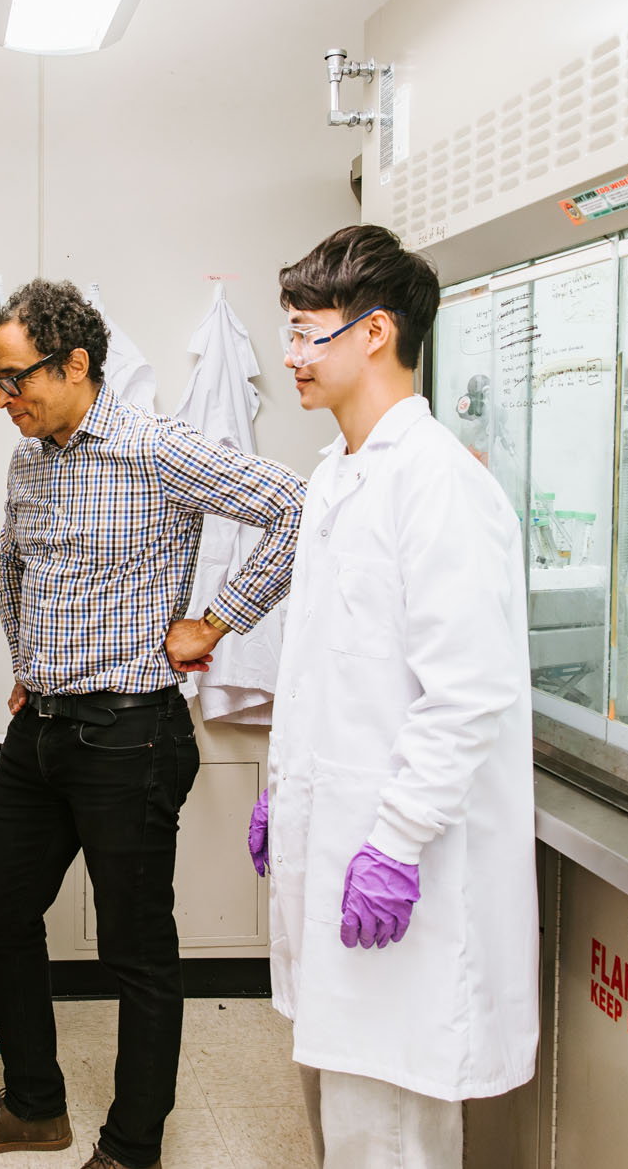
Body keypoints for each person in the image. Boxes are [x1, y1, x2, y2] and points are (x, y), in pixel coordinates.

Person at [0, 281, 306, 1169]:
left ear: (76, 365)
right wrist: (29, 663)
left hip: (130, 735)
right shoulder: (31, 456)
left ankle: (133, 1147)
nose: (2, 398)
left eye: (14, 377)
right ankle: (33, 1105)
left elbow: (294, 507)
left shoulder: (153, 445)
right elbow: (13, 562)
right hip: (45, 729)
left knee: (137, 947)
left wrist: (216, 619)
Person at [247, 225, 537, 1169]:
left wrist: (397, 842)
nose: (291, 354)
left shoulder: (440, 484)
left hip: (396, 868)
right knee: (339, 1102)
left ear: (375, 334)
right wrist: (281, 790)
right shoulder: (337, 477)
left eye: (306, 331)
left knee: (393, 1131)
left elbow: (466, 692)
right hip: (332, 843)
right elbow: (328, 668)